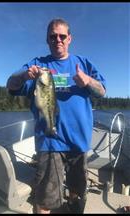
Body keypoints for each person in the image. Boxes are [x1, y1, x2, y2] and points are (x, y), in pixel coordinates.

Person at [6, 18, 106, 214]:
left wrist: (87, 81)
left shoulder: (83, 63)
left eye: (62, 36)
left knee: (77, 190)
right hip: (49, 142)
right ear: (47, 39)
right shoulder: (36, 64)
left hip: (79, 140)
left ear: (69, 38)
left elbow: (102, 91)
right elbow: (10, 84)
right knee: (45, 198)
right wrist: (25, 76)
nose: (58, 39)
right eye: (53, 36)